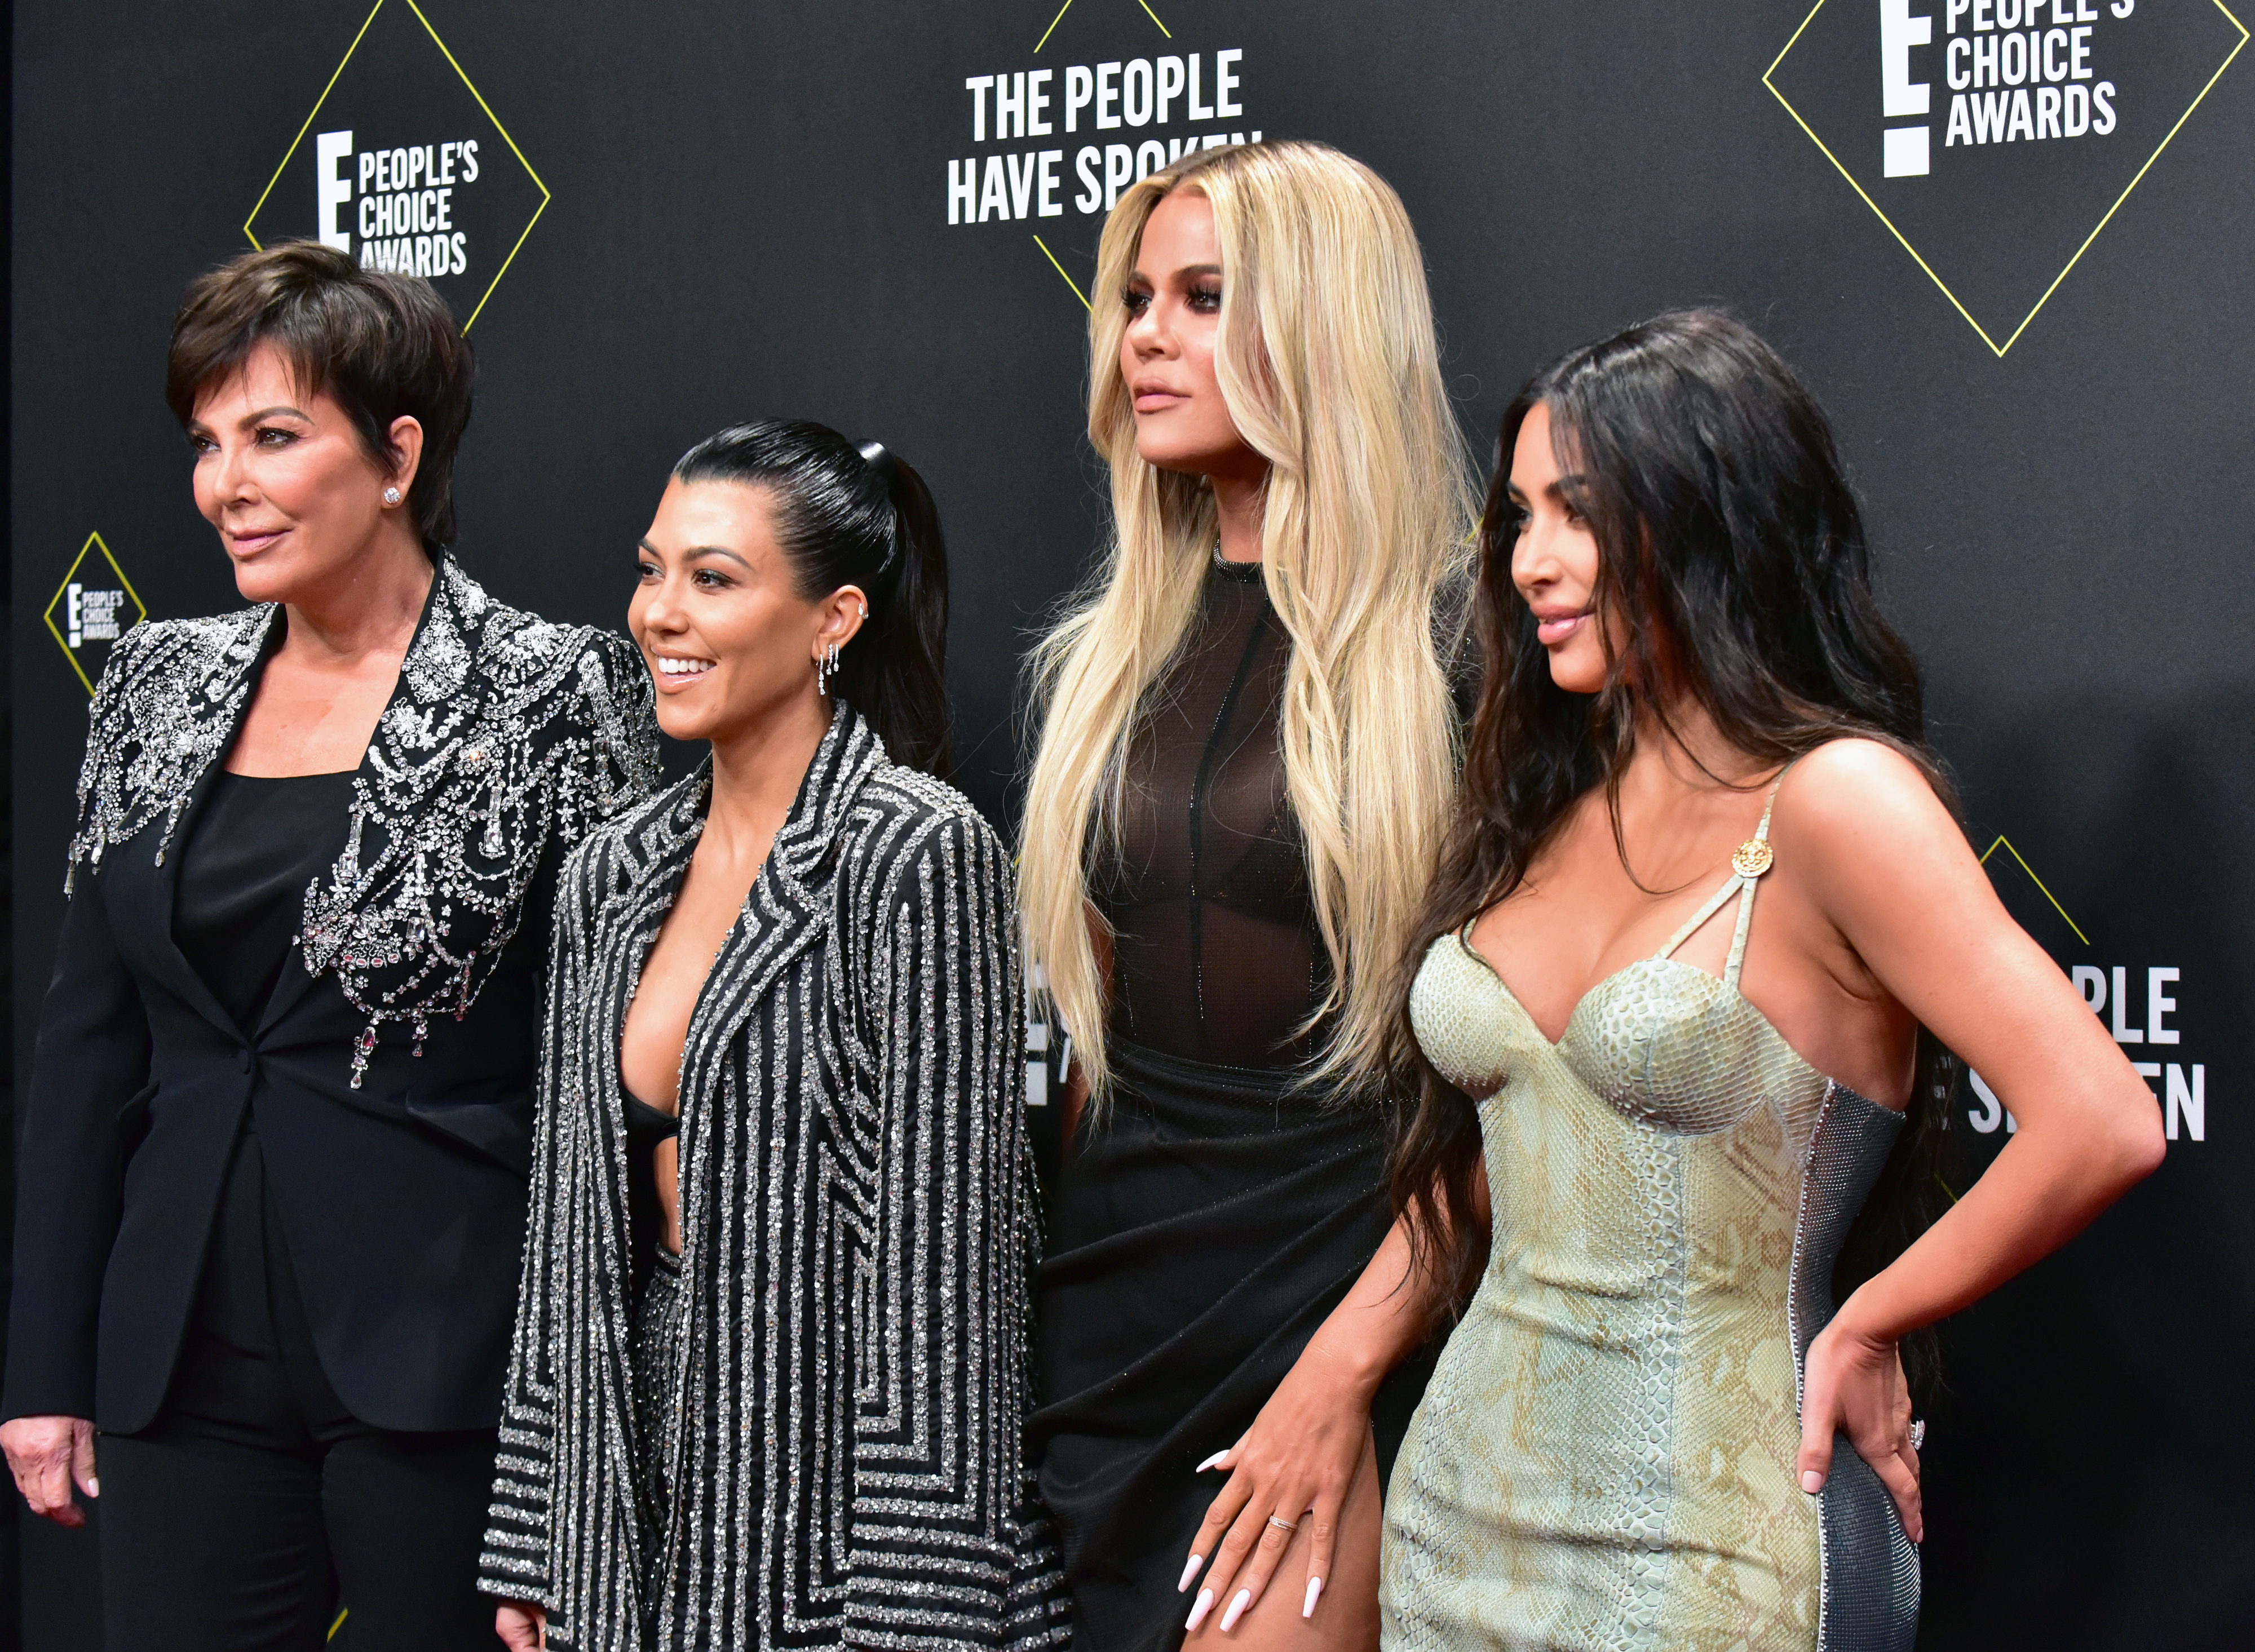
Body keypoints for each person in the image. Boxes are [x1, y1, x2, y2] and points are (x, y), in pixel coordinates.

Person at [1378, 310, 2165, 1651]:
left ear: (1707, 516)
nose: (1532, 561)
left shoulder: (1834, 802)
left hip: (1713, 1539)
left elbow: (2100, 1122)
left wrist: (1867, 1322)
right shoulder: (1546, 802)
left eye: (1578, 511)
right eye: (1517, 515)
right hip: (1455, 1514)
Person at [0, 242, 660, 1649]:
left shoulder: (553, 689)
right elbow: (89, 1045)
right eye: (207, 442)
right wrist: (43, 1363)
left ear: (397, 452)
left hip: (448, 1357)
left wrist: (582, 1443)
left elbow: (612, 1074)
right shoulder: (154, 683)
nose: (224, 484)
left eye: (274, 436)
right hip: (180, 1360)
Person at [481, 420, 1070, 1652]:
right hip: (624, 1516)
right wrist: (539, 1527)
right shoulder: (611, 871)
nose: (661, 614)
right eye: (652, 571)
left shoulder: (912, 851)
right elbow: (564, 1230)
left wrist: (913, 1615)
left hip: (827, 1534)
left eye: (713, 578)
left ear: (832, 619)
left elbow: (945, 1285)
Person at [1018, 141, 1477, 1652]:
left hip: (1336, 1283)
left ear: (1326, 328)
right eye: (1139, 297)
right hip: (1105, 1307)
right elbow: (1088, 1052)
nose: (1145, 333)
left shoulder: (1455, 654)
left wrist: (1343, 1375)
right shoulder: (1103, 660)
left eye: (1205, 298)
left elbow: (1503, 1096)